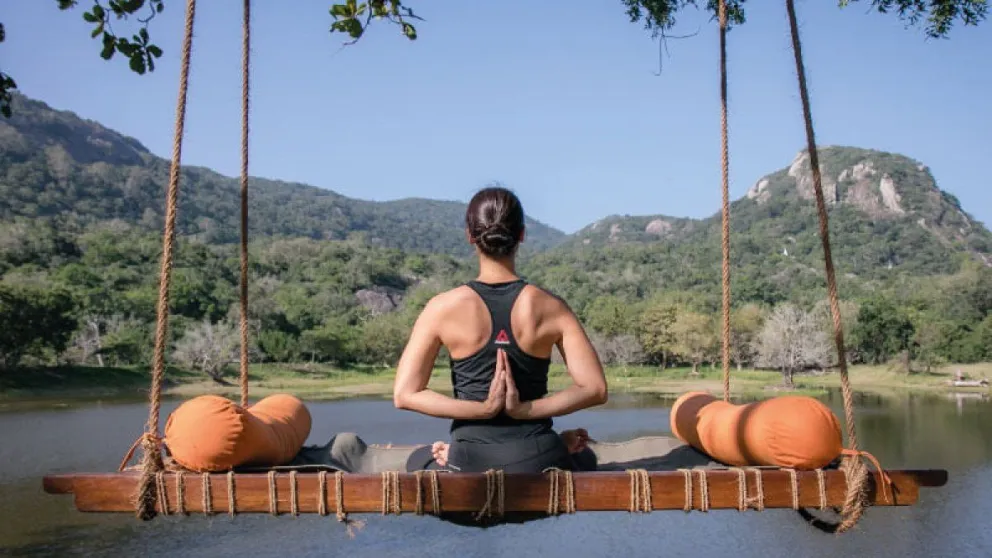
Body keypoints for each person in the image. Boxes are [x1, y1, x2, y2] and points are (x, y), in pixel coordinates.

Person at [393, 186, 608, 473]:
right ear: (522, 234)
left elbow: (405, 394)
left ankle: (452, 455)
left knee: (418, 460)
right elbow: (595, 389)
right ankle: (560, 445)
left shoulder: (442, 307)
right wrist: (525, 410)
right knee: (585, 457)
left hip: (469, 459)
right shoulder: (552, 306)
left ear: (470, 236)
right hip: (540, 457)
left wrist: (482, 409)